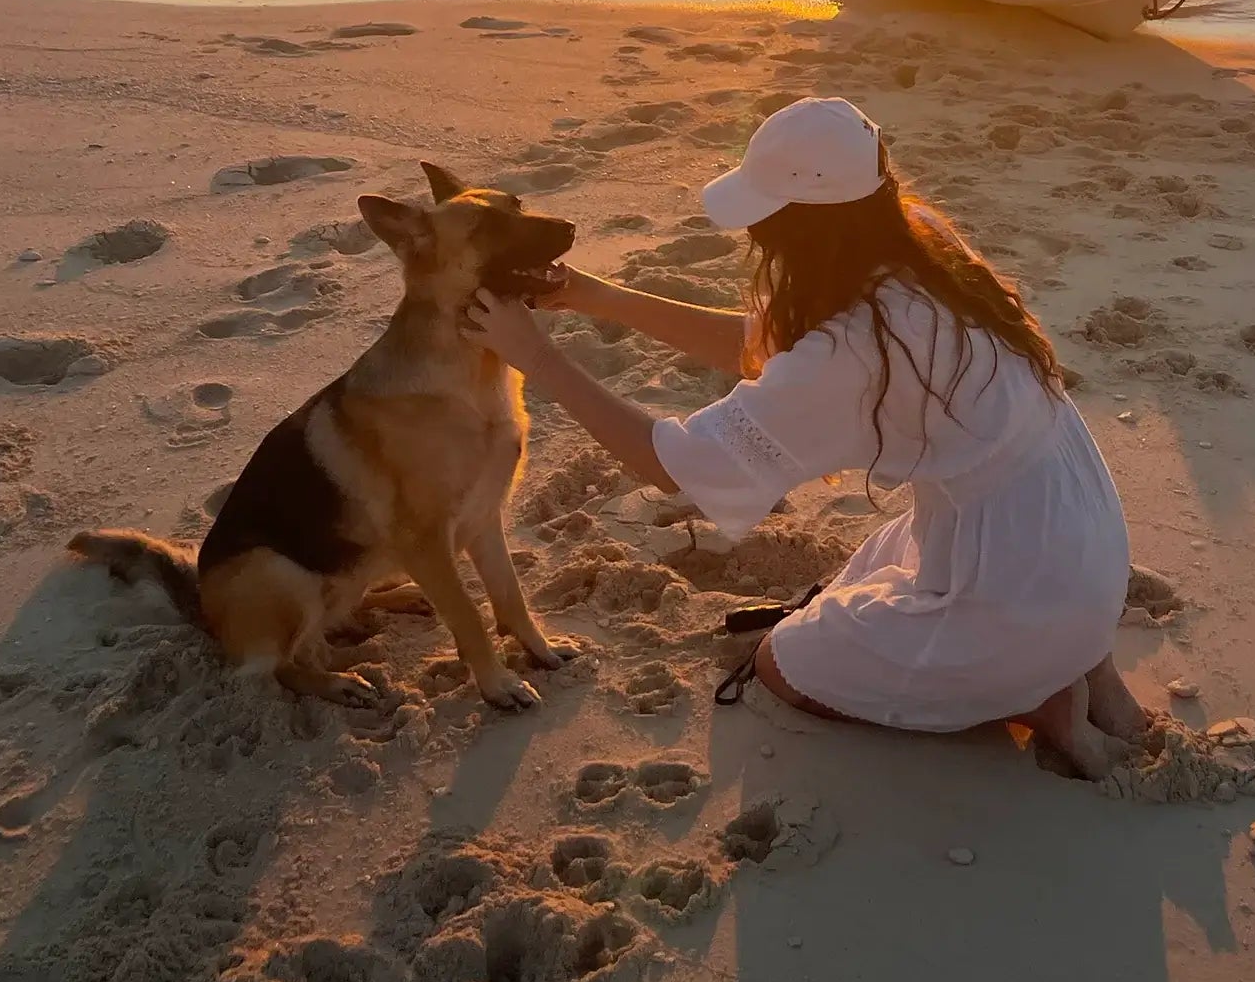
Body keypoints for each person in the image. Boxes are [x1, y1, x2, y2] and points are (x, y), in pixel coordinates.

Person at [463, 95, 1146, 773]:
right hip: (1078, 540)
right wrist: (594, 296)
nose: (754, 236)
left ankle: (1039, 697)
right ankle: (1088, 670)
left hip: (1022, 587)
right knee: (855, 581)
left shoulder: (854, 349)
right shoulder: (916, 238)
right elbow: (756, 345)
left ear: (798, 229)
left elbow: (672, 465)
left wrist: (539, 357)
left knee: (782, 664)